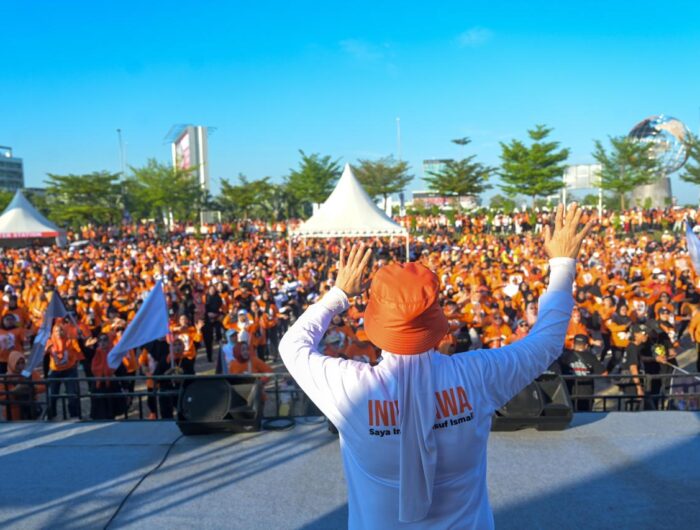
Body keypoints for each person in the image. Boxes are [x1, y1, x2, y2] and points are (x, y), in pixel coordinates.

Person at [280, 203, 594, 528]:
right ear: (436, 321)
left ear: (375, 322)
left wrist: (339, 294)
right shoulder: (476, 376)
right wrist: (563, 263)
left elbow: (292, 346)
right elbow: (547, 342)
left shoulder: (349, 388)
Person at [0, 350, 44, 420]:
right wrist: (14, 392)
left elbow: (44, 386)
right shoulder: (5, 378)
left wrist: (32, 388)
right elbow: (1, 399)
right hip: (13, 415)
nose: (20, 366)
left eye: (22, 363)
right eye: (17, 363)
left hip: (31, 412)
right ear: (11, 363)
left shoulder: (29, 373)